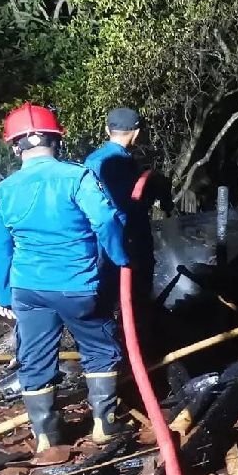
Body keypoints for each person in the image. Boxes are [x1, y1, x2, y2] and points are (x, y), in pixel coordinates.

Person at [0, 104, 130, 451]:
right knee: (99, 349)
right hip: (76, 286)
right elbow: (107, 221)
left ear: (15, 146)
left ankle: (46, 440)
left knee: (34, 359)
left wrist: (4, 296)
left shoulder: (1, 193)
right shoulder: (77, 178)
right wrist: (120, 257)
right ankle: (104, 426)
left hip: (28, 290)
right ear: (56, 141)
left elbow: (0, 250)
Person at [84, 108, 171, 338]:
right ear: (137, 133)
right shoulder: (121, 164)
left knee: (103, 299)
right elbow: (122, 209)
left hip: (97, 243)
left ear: (106, 130)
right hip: (128, 242)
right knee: (135, 299)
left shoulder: (91, 160)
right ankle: (137, 343)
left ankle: (106, 344)